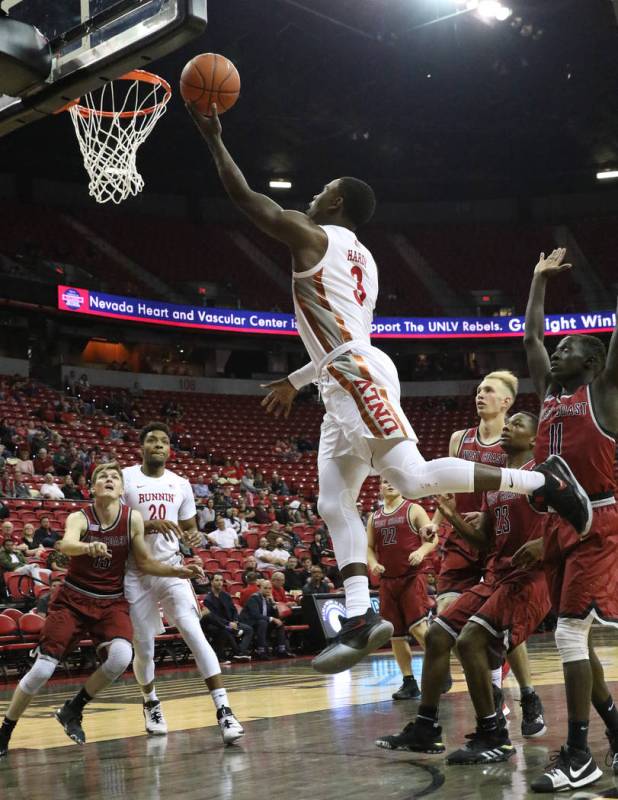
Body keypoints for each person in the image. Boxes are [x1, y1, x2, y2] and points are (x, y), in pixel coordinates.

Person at [187, 103, 592, 675]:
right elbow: (340, 334)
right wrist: (300, 380)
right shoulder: (368, 260)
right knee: (333, 501)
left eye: (324, 189)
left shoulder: (313, 234)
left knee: (410, 477)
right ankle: (359, 616)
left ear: (338, 204)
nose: (313, 195)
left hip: (354, 373)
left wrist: (213, 138)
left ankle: (539, 481)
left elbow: (248, 201)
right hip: (340, 376)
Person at [376, 413, 550, 763]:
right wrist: (453, 518)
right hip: (497, 576)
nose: (507, 427)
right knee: (439, 636)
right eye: (508, 423)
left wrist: (544, 544)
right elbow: (486, 541)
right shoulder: (497, 483)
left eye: (517, 423)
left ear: (534, 439)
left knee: (471, 640)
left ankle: (495, 734)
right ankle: (426, 728)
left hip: (530, 580)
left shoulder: (541, 474)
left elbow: (574, 523)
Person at [0, 462, 203, 757]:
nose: (109, 480)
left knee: (122, 656)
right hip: (73, 599)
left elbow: (145, 562)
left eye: (114, 478)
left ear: (122, 490)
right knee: (43, 669)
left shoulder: (131, 518)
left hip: (110, 601)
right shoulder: (79, 517)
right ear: (92, 488)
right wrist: (87, 547)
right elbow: (66, 544)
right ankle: (5, 730)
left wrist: (178, 572)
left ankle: (73, 708)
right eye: (102, 477)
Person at [520, 249, 618, 792]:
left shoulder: (603, 394)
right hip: (558, 524)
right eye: (557, 350)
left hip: (598, 522)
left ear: (594, 363)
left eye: (568, 349)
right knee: (574, 639)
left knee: (569, 636)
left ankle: (579, 754)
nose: (555, 355)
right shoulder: (551, 394)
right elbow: (532, 338)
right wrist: (537, 281)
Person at [122, 422, 243, 744]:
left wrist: (193, 536)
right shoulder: (125, 477)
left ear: (170, 449)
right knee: (144, 647)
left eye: (163, 441)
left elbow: (189, 529)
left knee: (193, 631)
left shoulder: (181, 483)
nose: (158, 445)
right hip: (136, 572)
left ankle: (225, 710)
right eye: (151, 440)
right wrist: (148, 524)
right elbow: (114, 524)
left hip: (172, 568)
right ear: (142, 447)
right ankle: (150, 702)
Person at [431, 370, 540, 702]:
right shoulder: (458, 439)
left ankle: (526, 692)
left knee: (502, 622)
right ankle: (492, 691)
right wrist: (436, 524)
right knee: (449, 614)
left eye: (488, 390)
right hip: (463, 536)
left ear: (506, 401)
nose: (480, 395)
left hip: (502, 538)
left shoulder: (514, 446)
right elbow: (446, 489)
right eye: (478, 390)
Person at [367, 478, 438, 701]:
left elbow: (432, 538)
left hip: (411, 577)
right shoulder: (374, 517)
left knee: (419, 630)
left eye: (394, 480)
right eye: (385, 481)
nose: (390, 484)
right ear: (379, 487)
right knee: (395, 636)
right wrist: (373, 563)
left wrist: (421, 551)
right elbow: (369, 547)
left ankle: (440, 671)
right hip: (388, 581)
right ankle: (409, 682)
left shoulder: (413, 508)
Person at [202, 573, 253, 662]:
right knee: (225, 630)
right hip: (218, 625)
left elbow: (234, 610)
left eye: (221, 580)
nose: (219, 583)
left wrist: (235, 621)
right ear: (211, 582)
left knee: (249, 629)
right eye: (217, 580)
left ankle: (239, 651)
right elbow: (214, 617)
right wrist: (229, 623)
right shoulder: (208, 599)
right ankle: (238, 653)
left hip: (231, 623)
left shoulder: (226, 595)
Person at [239, 579, 293, 659]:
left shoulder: (268, 599)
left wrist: (273, 604)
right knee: (263, 622)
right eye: (265, 588)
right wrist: (272, 619)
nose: (268, 590)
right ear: (260, 588)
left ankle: (281, 650)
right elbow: (255, 615)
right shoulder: (254, 598)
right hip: (249, 622)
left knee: (279, 623)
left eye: (270, 588)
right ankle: (261, 651)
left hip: (262, 621)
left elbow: (276, 616)